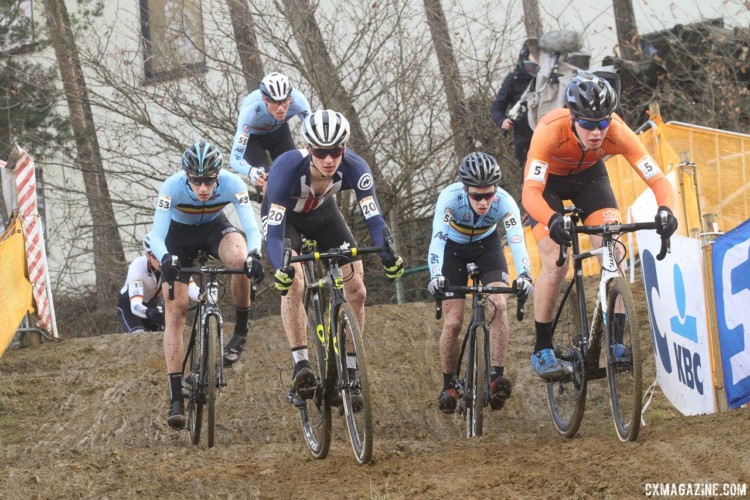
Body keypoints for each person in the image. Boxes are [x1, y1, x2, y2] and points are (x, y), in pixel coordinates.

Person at [522, 72, 678, 380]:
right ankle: (542, 346)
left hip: (591, 180)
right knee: (557, 262)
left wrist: (666, 210)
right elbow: (530, 192)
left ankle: (615, 341)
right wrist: (553, 219)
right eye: (589, 125)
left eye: (603, 123)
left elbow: (657, 178)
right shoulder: (549, 131)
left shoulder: (618, 132)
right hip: (547, 187)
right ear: (572, 118)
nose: (597, 132)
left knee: (612, 250)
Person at [262, 109, 404, 397]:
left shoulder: (356, 167)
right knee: (294, 283)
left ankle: (351, 368)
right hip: (286, 223)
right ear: (308, 149)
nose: (329, 160)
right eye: (321, 152)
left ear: (345, 148)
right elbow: (275, 234)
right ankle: (301, 363)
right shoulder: (286, 168)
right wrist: (281, 267)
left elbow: (374, 219)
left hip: (324, 216)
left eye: (336, 151)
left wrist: (389, 253)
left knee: (357, 289)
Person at [150, 139, 264, 428]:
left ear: (218, 176)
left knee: (239, 260)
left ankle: (241, 328)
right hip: (178, 237)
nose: (203, 188)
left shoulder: (232, 182)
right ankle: (176, 397)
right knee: (176, 311)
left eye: (209, 181)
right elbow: (157, 235)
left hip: (215, 228)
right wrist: (165, 259)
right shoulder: (171, 187)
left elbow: (250, 226)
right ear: (186, 176)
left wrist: (255, 255)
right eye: (197, 181)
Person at [426, 152, 534, 413]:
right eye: (477, 196)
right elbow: (438, 240)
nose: (484, 202)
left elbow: (517, 242)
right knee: (453, 322)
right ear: (465, 190)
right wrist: (436, 275)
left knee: (499, 304)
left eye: (489, 195)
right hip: (453, 250)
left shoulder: (506, 202)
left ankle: (497, 375)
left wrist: (525, 275)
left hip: (488, 248)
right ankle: (448, 383)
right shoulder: (450, 199)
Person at [229, 72, 311, 193]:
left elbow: (314, 131)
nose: (280, 108)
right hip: (253, 139)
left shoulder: (298, 100)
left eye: (284, 101)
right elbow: (235, 159)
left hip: (279, 133)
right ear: (265, 99)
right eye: (274, 102)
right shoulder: (251, 110)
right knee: (265, 181)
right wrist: (251, 171)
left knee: (294, 171)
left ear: (290, 97)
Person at [116, 234, 199, 333]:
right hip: (129, 304)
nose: (160, 261)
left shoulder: (172, 265)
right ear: (147, 255)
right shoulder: (137, 267)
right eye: (156, 256)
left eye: (163, 256)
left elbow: (193, 290)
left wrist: (204, 295)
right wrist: (149, 313)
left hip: (152, 301)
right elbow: (135, 305)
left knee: (173, 329)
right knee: (138, 334)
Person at [491, 39, 539, 185]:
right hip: (525, 138)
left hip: (549, 135)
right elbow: (497, 107)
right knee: (530, 177)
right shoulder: (514, 79)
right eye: (534, 54)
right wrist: (502, 121)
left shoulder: (549, 79)